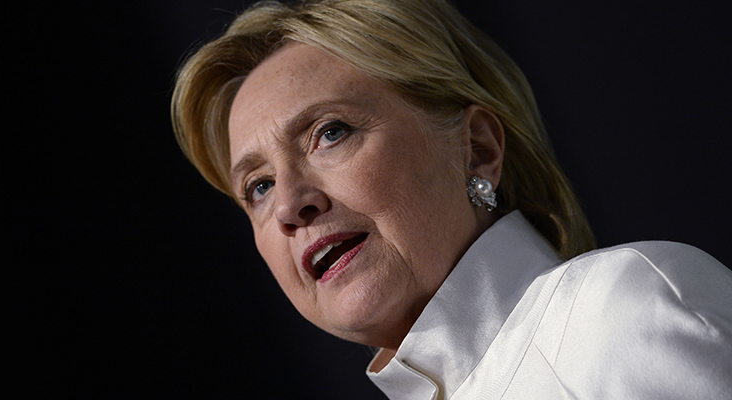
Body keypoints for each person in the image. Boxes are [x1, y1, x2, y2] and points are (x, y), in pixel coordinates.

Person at [170, 0, 732, 398]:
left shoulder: (620, 312)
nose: (291, 204)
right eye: (259, 187)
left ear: (478, 148)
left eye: (330, 132)